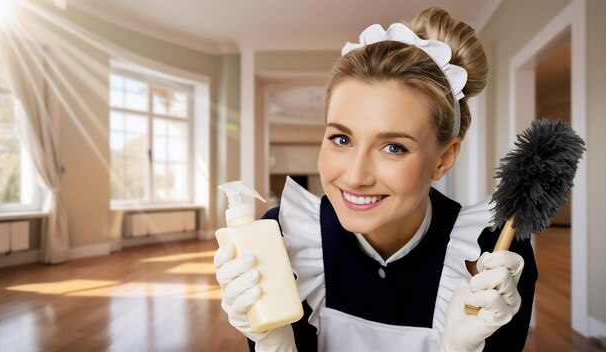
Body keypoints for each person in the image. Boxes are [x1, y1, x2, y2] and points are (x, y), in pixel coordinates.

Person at [215, 7, 537, 352]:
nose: (354, 176)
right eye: (341, 139)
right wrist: (272, 344)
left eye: (393, 147)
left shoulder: (492, 255)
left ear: (443, 158)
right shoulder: (284, 236)